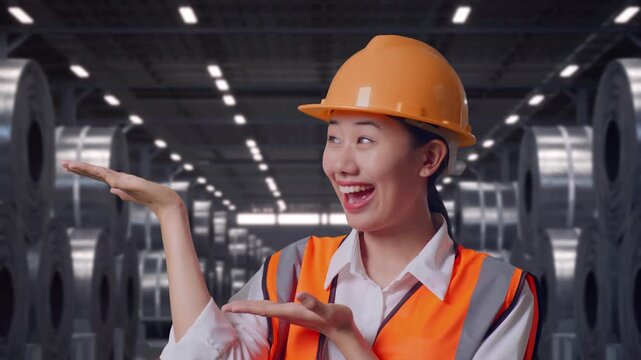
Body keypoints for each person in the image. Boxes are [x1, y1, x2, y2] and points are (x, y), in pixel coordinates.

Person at [62, 35, 540, 359]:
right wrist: (171, 215)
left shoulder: (497, 294)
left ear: (429, 158)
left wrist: (346, 338)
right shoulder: (292, 268)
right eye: (334, 138)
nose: (342, 163)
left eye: (366, 140)